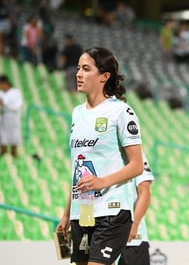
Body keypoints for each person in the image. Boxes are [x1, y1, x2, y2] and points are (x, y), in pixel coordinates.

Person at [55, 47, 144, 265]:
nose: (78, 74)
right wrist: (67, 213)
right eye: (78, 68)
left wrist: (101, 182)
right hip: (82, 211)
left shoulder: (121, 112)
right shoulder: (77, 113)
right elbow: (78, 169)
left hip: (112, 210)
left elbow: (137, 166)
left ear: (104, 76)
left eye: (86, 69)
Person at [116, 152, 154, 265]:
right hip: (103, 237)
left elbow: (145, 191)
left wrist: (134, 223)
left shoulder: (136, 153)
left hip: (132, 242)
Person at [0, 74, 23, 157]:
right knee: (3, 138)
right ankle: (4, 156)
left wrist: (5, 104)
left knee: (14, 137)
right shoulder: (1, 93)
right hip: (3, 118)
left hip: (13, 118)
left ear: (5, 83)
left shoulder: (16, 92)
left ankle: (14, 156)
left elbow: (17, 106)